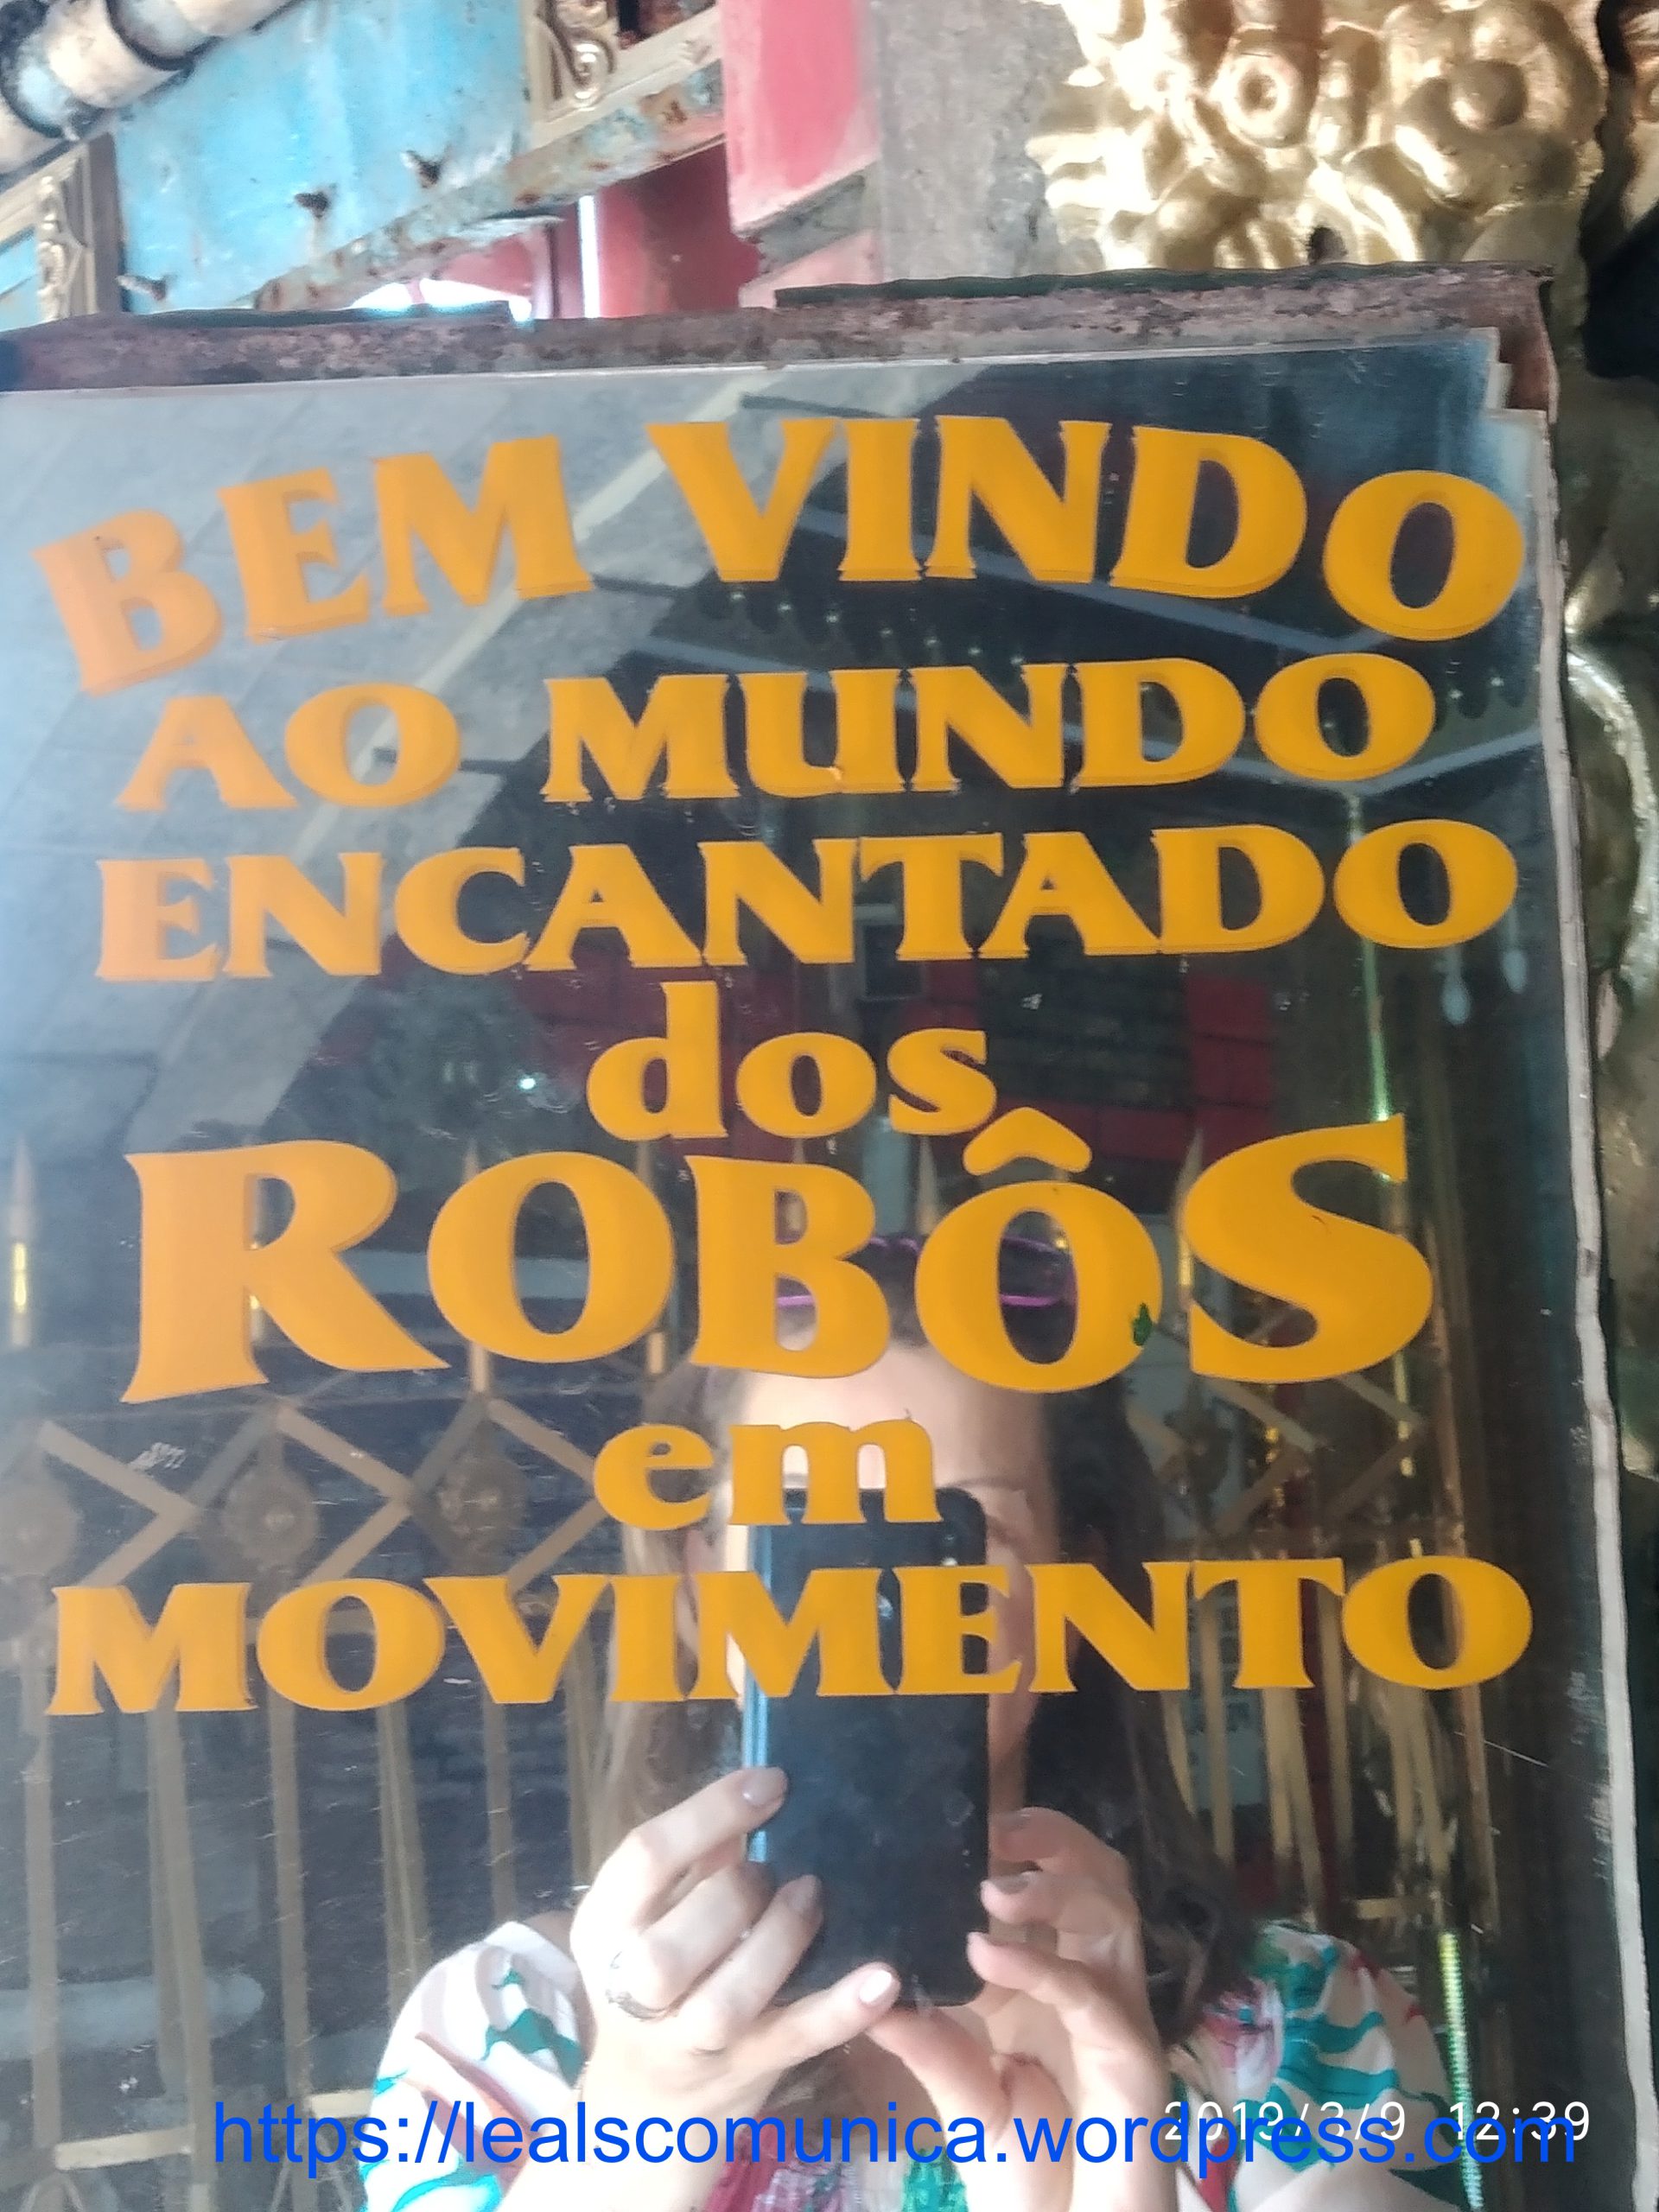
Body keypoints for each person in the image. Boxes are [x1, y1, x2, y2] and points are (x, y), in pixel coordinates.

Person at [363, 1240, 1461, 2212]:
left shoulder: (1306, 2032)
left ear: (1077, 1594)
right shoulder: (507, 2032)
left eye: (958, 1530)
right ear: (699, 1589)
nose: (881, 1605)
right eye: (805, 1523)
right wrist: (635, 2122)